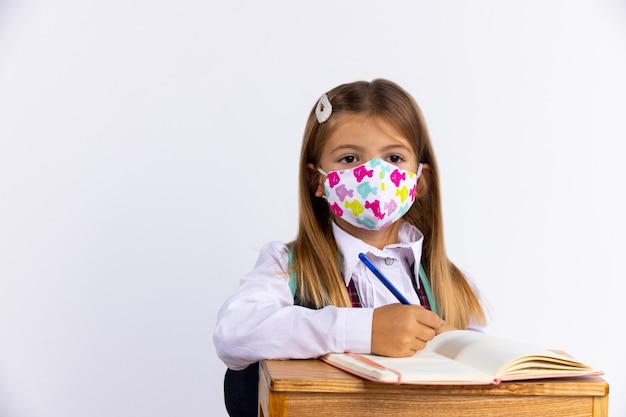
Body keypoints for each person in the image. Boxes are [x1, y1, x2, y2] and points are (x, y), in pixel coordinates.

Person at [214, 79, 487, 417]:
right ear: (317, 180)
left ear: (420, 179)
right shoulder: (286, 268)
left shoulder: (454, 287)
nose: (373, 174)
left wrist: (458, 348)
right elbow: (234, 333)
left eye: (393, 157)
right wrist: (365, 330)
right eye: (349, 158)